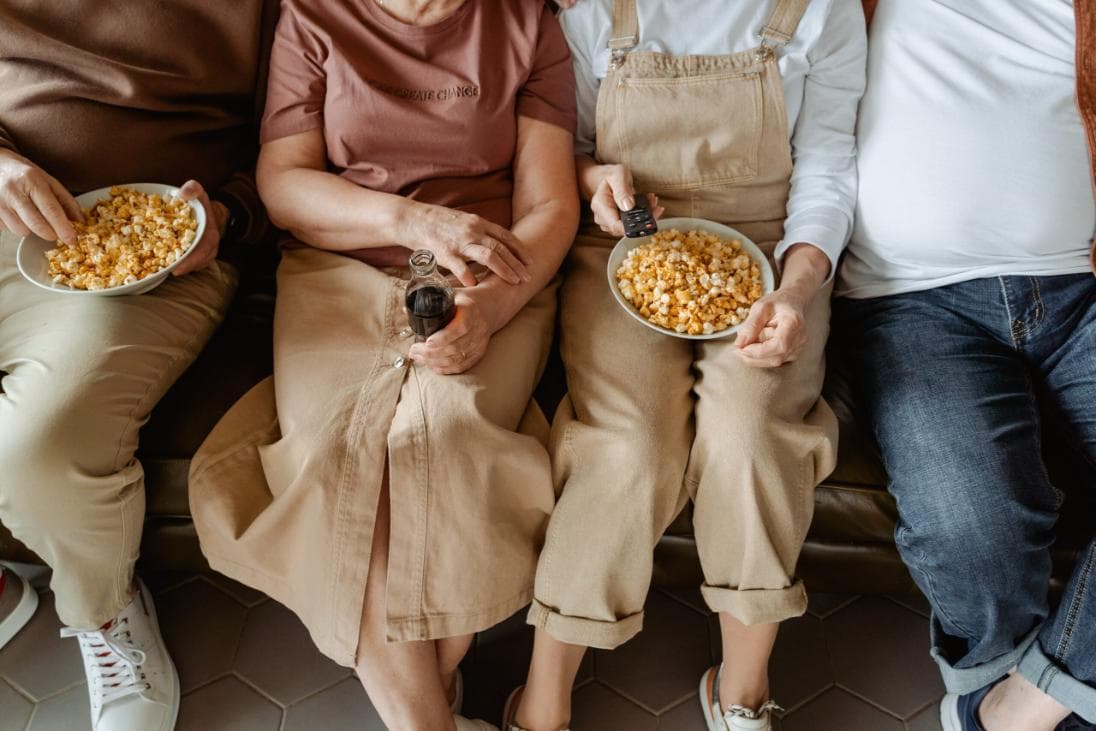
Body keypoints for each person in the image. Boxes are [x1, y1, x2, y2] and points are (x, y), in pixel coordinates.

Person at [186, 1, 579, 729]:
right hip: (339, 266)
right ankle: (427, 715)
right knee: (338, 449)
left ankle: (421, 701)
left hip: (493, 275)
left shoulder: (528, 22)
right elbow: (283, 182)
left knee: (446, 437)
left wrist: (488, 310)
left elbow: (552, 206)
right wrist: (408, 219)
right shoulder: (312, 18)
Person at [505, 1, 866, 730]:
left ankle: (741, 689)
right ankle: (545, 695)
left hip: (770, 254)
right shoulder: (590, 10)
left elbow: (829, 166)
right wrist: (591, 179)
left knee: (753, 434)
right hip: (622, 250)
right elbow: (561, 148)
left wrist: (797, 288)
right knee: (629, 447)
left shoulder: (821, 9)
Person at [0, 1, 275, 729]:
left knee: (38, 445)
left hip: (162, 251)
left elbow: (307, 121)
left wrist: (229, 213)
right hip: (6, 205)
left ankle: (104, 610)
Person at [833, 1, 1096, 729]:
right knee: (971, 524)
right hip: (913, 302)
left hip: (1084, 288)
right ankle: (1040, 694)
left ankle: (1015, 707)